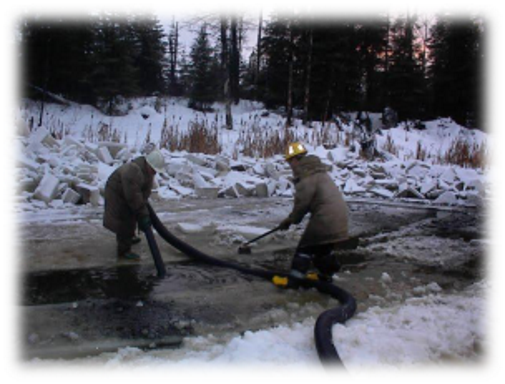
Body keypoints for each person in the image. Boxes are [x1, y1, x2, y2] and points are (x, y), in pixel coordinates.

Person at [277, 142, 349, 285]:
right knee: (323, 248)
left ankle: (293, 281)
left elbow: (302, 204)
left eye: (290, 161)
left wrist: (290, 220)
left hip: (326, 218)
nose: (290, 165)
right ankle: (326, 276)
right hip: (339, 216)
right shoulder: (318, 172)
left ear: (296, 159)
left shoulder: (306, 175)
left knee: (305, 248)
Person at [103, 148, 166, 260]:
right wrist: (142, 213)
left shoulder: (147, 172)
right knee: (124, 219)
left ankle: (129, 237)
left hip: (127, 192)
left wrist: (144, 211)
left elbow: (144, 193)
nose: (155, 173)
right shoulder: (133, 171)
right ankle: (123, 251)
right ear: (148, 164)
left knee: (133, 214)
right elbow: (133, 197)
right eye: (154, 170)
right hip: (116, 193)